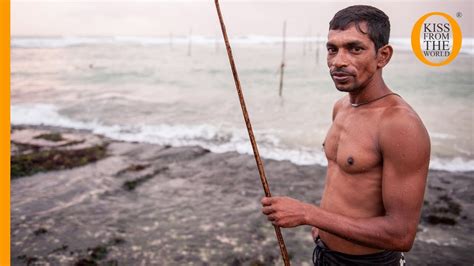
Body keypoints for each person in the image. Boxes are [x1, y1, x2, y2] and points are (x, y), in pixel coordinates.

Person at [261, 5, 430, 265]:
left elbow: (401, 235)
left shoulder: (399, 124)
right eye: (332, 49)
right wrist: (323, 226)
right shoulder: (341, 107)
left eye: (355, 48)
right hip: (326, 254)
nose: (338, 60)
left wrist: (308, 214)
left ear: (382, 56)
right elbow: (342, 178)